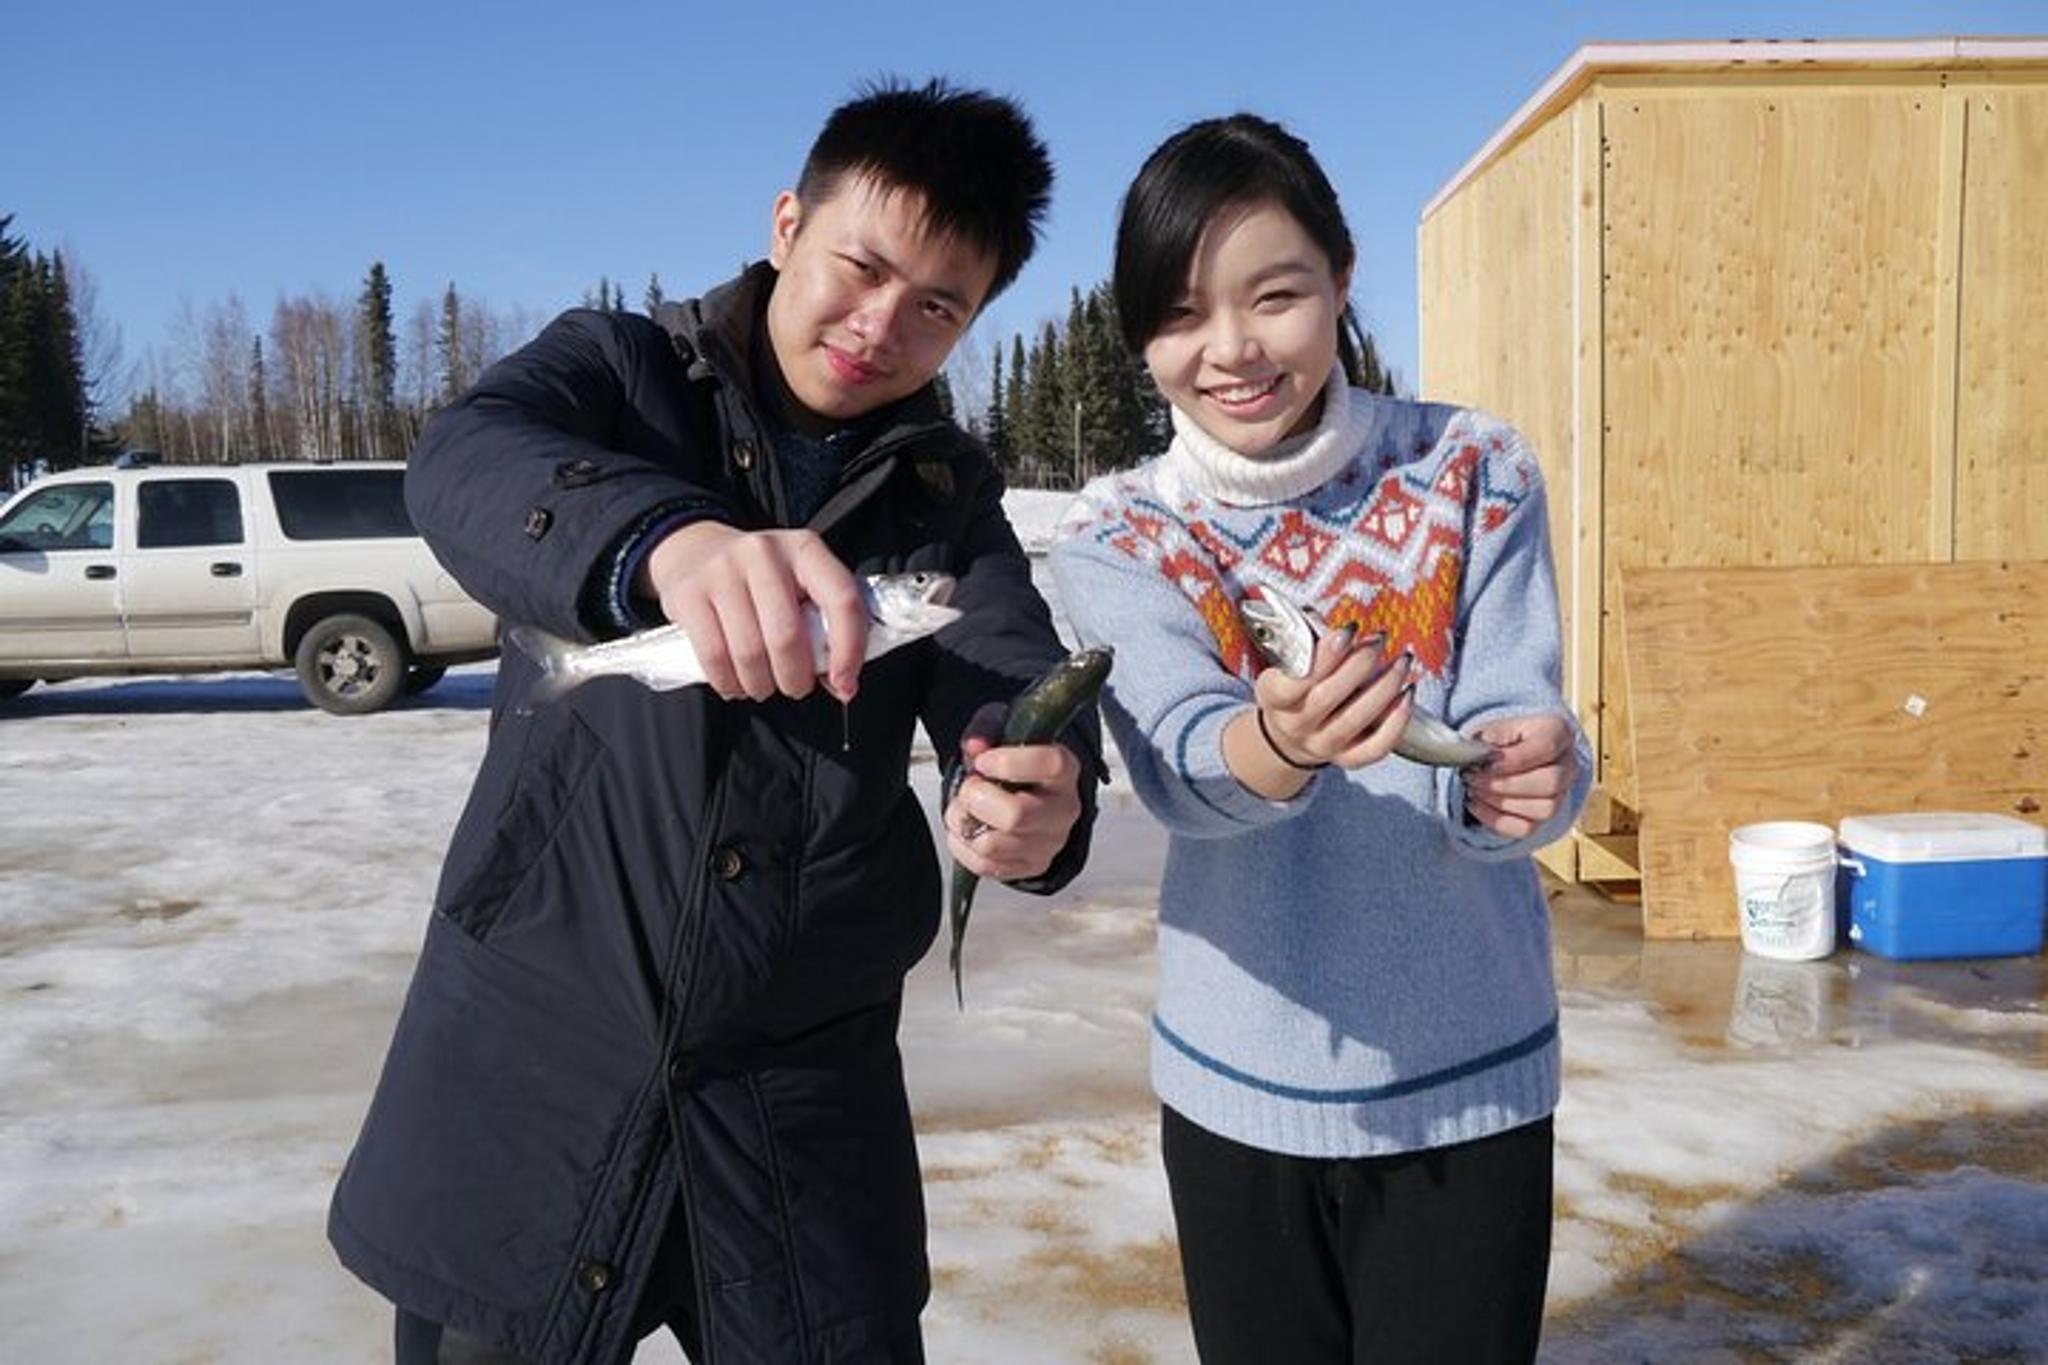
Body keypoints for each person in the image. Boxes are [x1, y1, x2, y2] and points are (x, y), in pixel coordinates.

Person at [330, 78, 1102, 1365]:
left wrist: (1034, 778)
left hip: (804, 1102)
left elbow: (1001, 656)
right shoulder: (621, 372)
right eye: (859, 267)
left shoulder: (943, 492)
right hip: (537, 1054)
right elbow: (462, 457)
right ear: (788, 222)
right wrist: (661, 539)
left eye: (936, 308)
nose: (878, 326)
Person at [1049, 114, 1589, 1364]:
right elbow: (1180, 756)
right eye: (1179, 315)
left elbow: (1524, 708)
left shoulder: (1473, 465)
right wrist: (1275, 744)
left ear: (1341, 283)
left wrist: (1529, 773)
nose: (1229, 350)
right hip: (1235, 1092)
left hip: (1470, 1080)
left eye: (1275, 296)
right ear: (1140, 336)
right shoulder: (1119, 533)